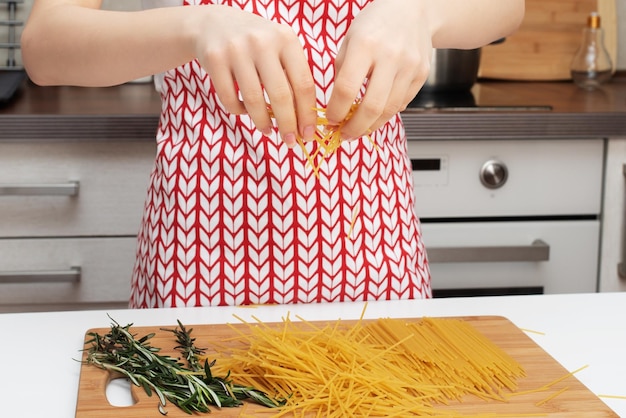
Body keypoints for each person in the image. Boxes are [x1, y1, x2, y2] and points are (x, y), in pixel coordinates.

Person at [21, 0, 524, 308]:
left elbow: (507, 7)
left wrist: (422, 8)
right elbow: (45, 45)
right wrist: (196, 26)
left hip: (374, 246)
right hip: (201, 253)